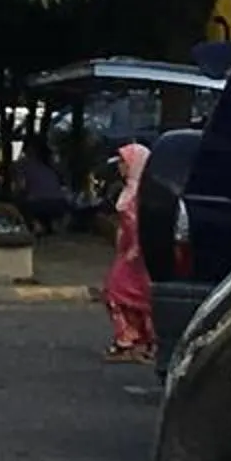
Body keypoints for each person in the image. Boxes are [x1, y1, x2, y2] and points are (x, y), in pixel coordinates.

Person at [105, 141, 157, 363]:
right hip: (129, 252)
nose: (121, 167)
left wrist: (134, 248)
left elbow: (138, 224)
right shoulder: (131, 190)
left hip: (136, 255)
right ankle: (138, 340)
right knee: (135, 296)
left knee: (116, 291)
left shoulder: (140, 194)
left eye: (124, 162)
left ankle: (130, 340)